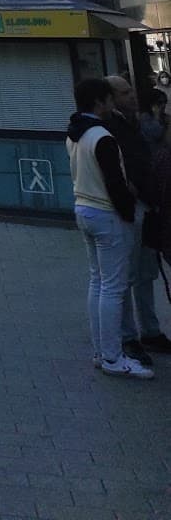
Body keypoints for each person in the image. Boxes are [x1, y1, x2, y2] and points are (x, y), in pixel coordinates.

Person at [66, 76, 151, 378]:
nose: (113, 103)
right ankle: (114, 356)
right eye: (110, 98)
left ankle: (102, 351)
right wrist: (128, 212)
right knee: (114, 287)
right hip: (107, 213)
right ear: (100, 102)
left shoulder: (75, 133)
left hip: (83, 207)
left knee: (98, 282)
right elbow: (116, 182)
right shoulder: (102, 136)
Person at [106, 75, 170, 360]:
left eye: (131, 90)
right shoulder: (110, 127)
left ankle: (151, 331)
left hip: (148, 203)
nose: (132, 95)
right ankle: (128, 337)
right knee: (128, 275)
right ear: (110, 98)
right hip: (129, 208)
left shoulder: (134, 122)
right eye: (124, 92)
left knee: (146, 272)